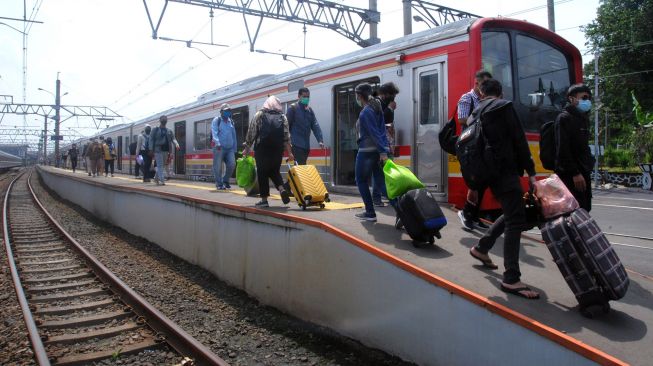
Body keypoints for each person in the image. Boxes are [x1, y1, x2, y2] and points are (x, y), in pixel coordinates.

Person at [466, 79, 540, 300]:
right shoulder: (504, 107)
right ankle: (511, 278)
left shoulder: (474, 115)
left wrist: (474, 185)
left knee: (511, 213)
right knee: (516, 220)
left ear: (480, 92)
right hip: (505, 171)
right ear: (500, 92)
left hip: (485, 173)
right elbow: (519, 140)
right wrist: (531, 172)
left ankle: (481, 247)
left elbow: (471, 151)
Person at [457, 70, 493, 231]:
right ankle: (466, 214)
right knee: (475, 182)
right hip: (471, 147)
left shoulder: (486, 100)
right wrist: (481, 116)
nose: (486, 87)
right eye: (484, 83)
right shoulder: (467, 98)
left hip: (482, 145)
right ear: (476, 83)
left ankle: (475, 216)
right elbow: (462, 118)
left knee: (483, 182)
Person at [242, 95, 294, 208]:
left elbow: (251, 132)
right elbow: (286, 137)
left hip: (262, 149)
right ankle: (281, 189)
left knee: (262, 172)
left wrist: (246, 148)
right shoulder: (283, 117)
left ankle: (264, 200)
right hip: (277, 149)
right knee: (274, 171)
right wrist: (289, 153)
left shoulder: (259, 115)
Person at [554, 84, 595, 212]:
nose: (587, 101)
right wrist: (575, 173)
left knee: (584, 209)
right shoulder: (564, 118)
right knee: (573, 212)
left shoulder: (583, 119)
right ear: (571, 99)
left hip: (583, 173)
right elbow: (563, 150)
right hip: (571, 176)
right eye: (583, 98)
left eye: (588, 98)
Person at [353, 82, 390, 222]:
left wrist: (383, 151)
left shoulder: (366, 112)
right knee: (380, 182)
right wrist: (383, 149)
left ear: (359, 96)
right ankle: (402, 210)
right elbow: (381, 131)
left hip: (366, 151)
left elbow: (374, 133)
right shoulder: (377, 107)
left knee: (360, 180)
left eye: (356, 95)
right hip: (377, 151)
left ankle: (370, 212)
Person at [372, 82, 400, 207]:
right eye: (392, 94)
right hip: (379, 143)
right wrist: (390, 109)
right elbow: (379, 120)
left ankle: (387, 194)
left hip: (387, 142)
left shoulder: (385, 104)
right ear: (385, 93)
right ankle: (377, 198)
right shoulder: (376, 103)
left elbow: (388, 123)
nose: (393, 97)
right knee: (379, 171)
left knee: (387, 170)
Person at [286, 87, 324, 165]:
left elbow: (315, 125)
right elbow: (286, 127)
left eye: (308, 97)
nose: (306, 98)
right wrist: (288, 145)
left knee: (301, 168)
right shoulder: (293, 108)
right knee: (300, 168)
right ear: (299, 96)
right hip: (296, 145)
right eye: (304, 96)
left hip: (306, 146)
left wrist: (320, 140)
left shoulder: (309, 110)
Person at [211, 103, 238, 190]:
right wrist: (217, 143)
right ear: (221, 112)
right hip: (219, 147)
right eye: (226, 111)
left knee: (232, 164)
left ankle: (225, 180)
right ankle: (219, 184)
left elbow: (233, 135)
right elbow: (214, 132)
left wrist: (235, 147)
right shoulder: (217, 120)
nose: (228, 112)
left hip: (229, 148)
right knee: (217, 166)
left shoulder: (231, 121)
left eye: (229, 111)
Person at [149, 115, 176, 185]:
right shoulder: (155, 129)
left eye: (165, 119)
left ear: (167, 121)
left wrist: (176, 144)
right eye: (162, 119)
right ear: (160, 120)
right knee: (160, 165)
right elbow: (151, 139)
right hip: (158, 149)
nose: (164, 120)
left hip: (166, 150)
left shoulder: (169, 130)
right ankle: (162, 180)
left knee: (163, 165)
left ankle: (156, 178)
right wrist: (151, 149)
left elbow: (173, 138)